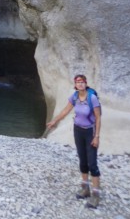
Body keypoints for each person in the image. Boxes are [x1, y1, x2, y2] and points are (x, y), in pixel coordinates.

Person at [46, 74, 102, 209]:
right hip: (78, 131)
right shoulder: (75, 96)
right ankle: (85, 189)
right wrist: (54, 121)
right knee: (83, 161)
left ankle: (96, 195)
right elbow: (66, 110)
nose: (80, 84)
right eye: (78, 82)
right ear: (75, 85)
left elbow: (98, 118)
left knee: (92, 164)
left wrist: (97, 136)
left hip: (90, 132)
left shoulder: (92, 98)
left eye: (82, 82)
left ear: (86, 83)